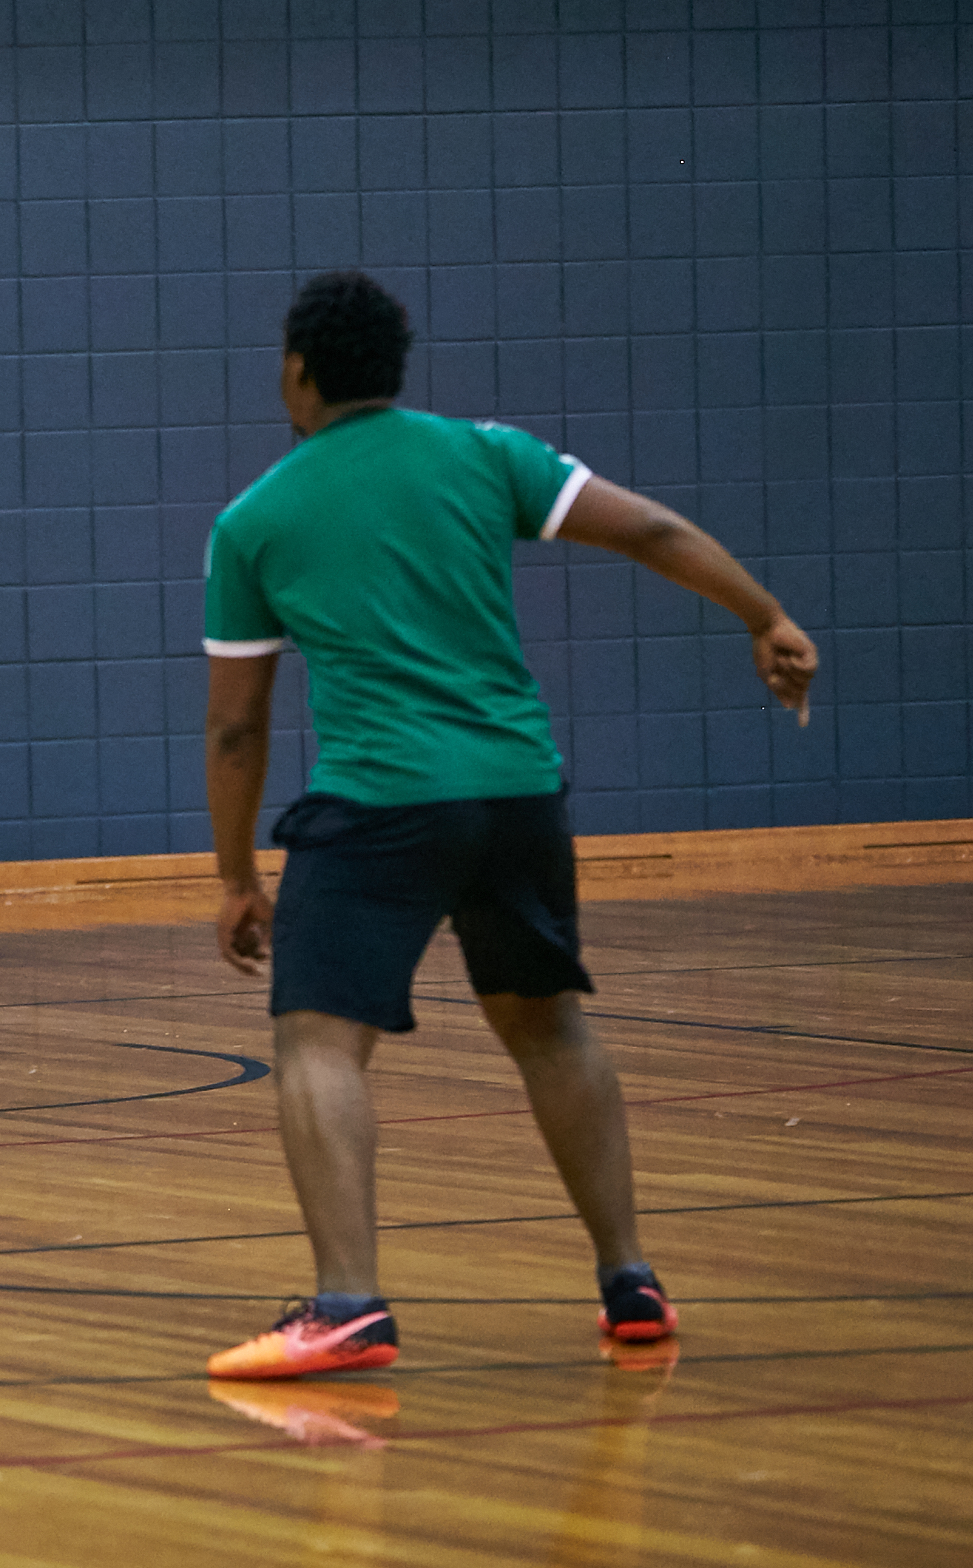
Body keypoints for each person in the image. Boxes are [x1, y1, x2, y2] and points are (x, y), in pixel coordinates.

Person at [200, 269, 817, 1379]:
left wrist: (238, 873)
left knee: (318, 1038)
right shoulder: (488, 454)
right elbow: (656, 528)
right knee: (547, 1026)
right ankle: (631, 1279)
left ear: (296, 372)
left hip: (381, 800)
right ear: (394, 366)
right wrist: (763, 615)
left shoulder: (255, 519)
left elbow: (238, 730)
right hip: (519, 794)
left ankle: (348, 1304)